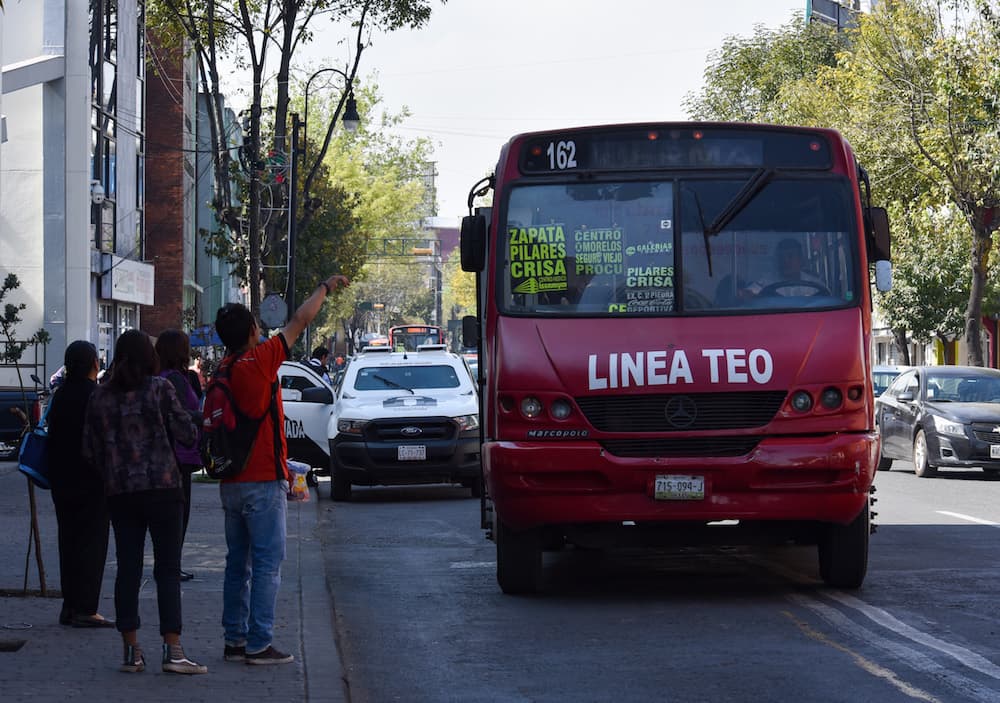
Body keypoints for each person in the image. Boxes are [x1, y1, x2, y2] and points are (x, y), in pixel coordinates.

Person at [214, 273, 348, 665]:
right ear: (252, 331)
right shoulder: (259, 361)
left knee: (237, 564)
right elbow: (301, 320)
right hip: (260, 484)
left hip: (231, 483)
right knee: (268, 565)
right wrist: (323, 286)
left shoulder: (224, 367)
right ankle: (259, 643)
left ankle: (234, 638)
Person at [82, 330, 207, 675]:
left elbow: (89, 451)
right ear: (149, 358)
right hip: (164, 489)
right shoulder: (159, 389)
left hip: (121, 494)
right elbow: (187, 434)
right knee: (167, 570)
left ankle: (131, 651)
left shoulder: (100, 398)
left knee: (128, 569)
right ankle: (174, 650)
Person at [46, 340, 114, 628]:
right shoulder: (96, 396)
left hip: (62, 480)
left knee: (69, 541)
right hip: (91, 481)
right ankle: (87, 607)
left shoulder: (60, 396)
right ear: (93, 364)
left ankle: (70, 605)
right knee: (92, 542)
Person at [155, 329, 202, 582]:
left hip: (165, 455)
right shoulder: (176, 379)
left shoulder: (158, 376)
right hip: (179, 454)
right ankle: (171, 564)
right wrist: (201, 419)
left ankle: (170, 563)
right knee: (178, 515)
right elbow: (182, 415)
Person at [742, 238, 825, 298]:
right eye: (781, 257)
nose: (785, 261)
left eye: (790, 256)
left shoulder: (816, 284)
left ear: (800, 260)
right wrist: (747, 294)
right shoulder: (766, 282)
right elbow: (747, 293)